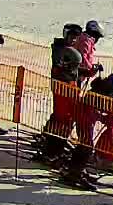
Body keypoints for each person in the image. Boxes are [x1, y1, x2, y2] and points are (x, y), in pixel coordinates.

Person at [62, 69, 113, 186]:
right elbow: (94, 113)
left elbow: (101, 111)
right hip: (83, 118)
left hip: (86, 118)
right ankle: (74, 172)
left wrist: (110, 118)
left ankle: (76, 169)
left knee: (85, 144)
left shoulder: (101, 92)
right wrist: (106, 119)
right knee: (87, 146)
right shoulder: (96, 95)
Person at [37, 23, 87, 160]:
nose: (73, 40)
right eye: (71, 37)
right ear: (65, 35)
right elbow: (60, 69)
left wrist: (87, 71)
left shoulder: (68, 49)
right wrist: (69, 69)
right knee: (62, 118)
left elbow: (73, 69)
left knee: (67, 118)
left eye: (76, 37)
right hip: (62, 89)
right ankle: (52, 150)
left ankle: (55, 147)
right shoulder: (60, 49)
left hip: (70, 88)